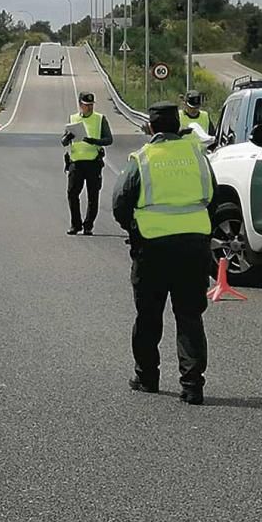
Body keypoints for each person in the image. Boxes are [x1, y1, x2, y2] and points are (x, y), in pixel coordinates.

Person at [112, 102, 218, 405]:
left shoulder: (142, 159)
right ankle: (192, 386)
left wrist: (135, 228)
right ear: (179, 126)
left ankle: (147, 376)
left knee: (148, 315)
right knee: (189, 316)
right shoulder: (198, 157)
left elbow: (120, 203)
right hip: (194, 247)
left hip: (152, 248)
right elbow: (213, 195)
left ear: (150, 128)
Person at [61, 92, 113, 236]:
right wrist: (68, 137)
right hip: (76, 163)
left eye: (91, 105)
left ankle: (88, 225)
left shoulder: (100, 119)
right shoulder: (73, 119)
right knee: (72, 194)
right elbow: (63, 141)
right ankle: (75, 224)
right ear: (80, 105)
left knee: (93, 196)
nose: (89, 108)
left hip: (93, 163)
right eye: (86, 105)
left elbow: (109, 140)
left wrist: (94, 141)